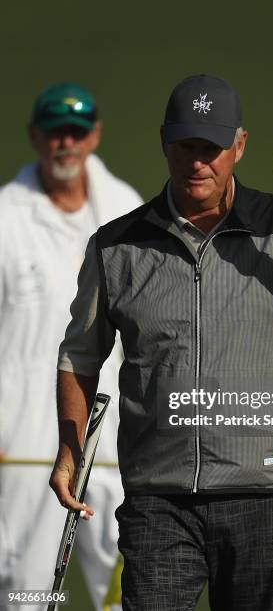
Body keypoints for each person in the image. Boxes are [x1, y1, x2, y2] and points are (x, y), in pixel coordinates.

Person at [50, 74, 273, 611]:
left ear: (240, 146)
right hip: (160, 502)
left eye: (212, 147)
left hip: (268, 500)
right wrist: (69, 448)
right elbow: (81, 355)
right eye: (186, 146)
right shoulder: (116, 246)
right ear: (165, 142)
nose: (197, 161)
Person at [0, 82, 143, 611]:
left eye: (77, 133)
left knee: (134, 593)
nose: (67, 144)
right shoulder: (6, 220)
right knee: (27, 596)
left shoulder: (125, 207)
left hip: (114, 445)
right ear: (36, 138)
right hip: (25, 447)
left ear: (94, 137)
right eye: (56, 133)